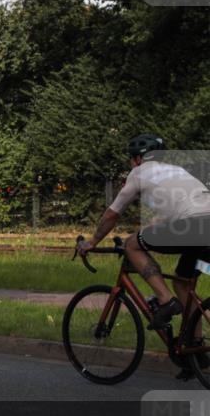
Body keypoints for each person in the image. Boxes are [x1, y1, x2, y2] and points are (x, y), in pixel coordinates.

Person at [79, 134, 210, 369]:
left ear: (138, 159)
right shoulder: (176, 171)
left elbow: (113, 213)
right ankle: (196, 348)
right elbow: (171, 216)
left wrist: (93, 241)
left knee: (131, 244)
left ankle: (164, 300)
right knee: (183, 283)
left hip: (192, 226)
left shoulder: (139, 173)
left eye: (131, 159)